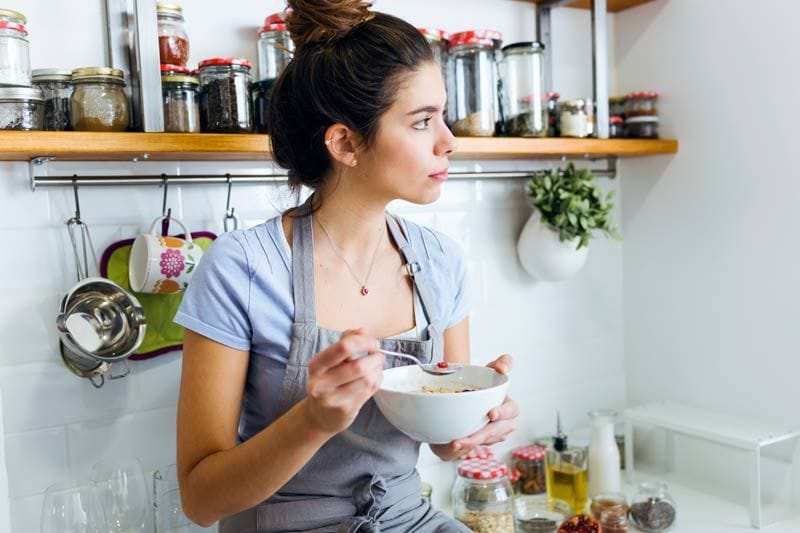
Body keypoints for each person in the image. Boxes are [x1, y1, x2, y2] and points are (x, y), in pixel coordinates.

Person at [174, 0, 519, 531]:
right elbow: (200, 500)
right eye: (423, 121)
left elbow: (447, 448)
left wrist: (474, 421)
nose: (449, 141)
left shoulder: (440, 263)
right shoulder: (240, 268)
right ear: (346, 143)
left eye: (442, 115)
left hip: (408, 518)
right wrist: (312, 421)